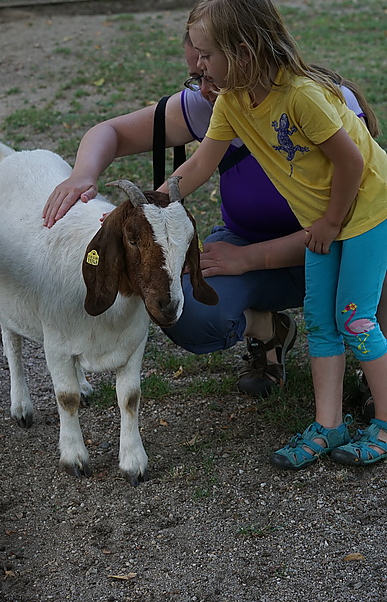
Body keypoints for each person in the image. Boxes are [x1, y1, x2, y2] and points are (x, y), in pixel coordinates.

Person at [42, 30, 382, 417]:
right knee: (183, 303)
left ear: (241, 55)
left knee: (375, 272)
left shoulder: (317, 99)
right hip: (257, 243)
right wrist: (87, 176)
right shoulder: (216, 102)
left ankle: (377, 379)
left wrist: (250, 259)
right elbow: (113, 132)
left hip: (343, 240)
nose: (202, 86)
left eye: (207, 66)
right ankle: (271, 333)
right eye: (195, 74)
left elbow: (352, 212)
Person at [156, 0, 387, 469]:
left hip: (367, 212)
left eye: (205, 55)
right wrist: (152, 203)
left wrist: (328, 221)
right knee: (323, 321)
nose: (197, 65)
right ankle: (329, 425)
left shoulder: (302, 96)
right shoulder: (233, 102)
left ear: (242, 52)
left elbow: (351, 165)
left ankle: (385, 421)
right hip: (324, 223)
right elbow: (198, 166)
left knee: (356, 318)